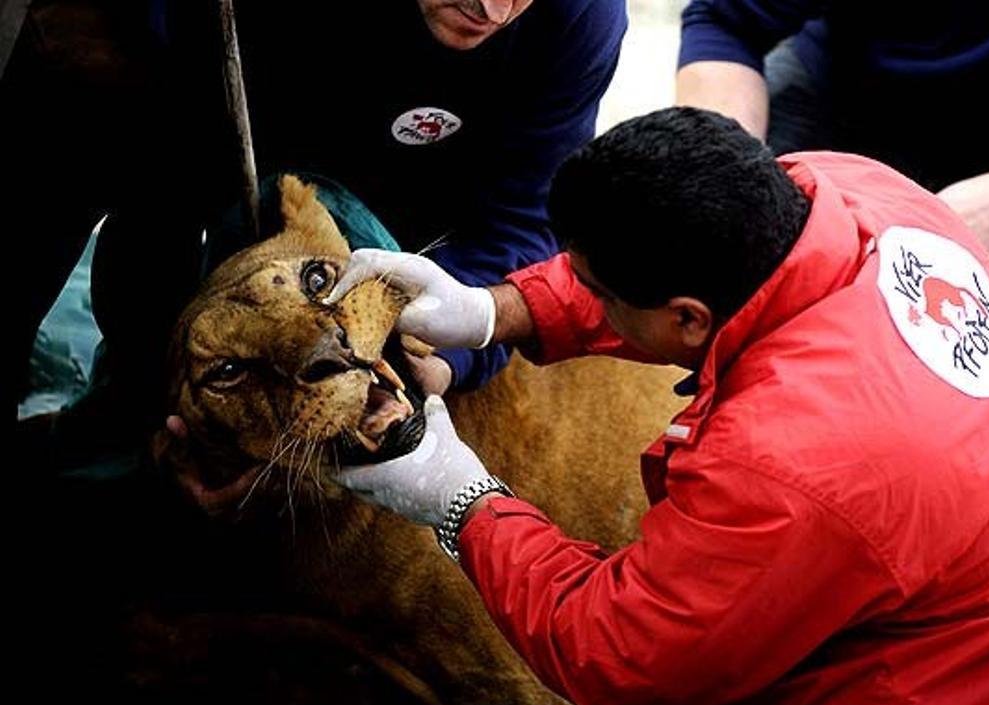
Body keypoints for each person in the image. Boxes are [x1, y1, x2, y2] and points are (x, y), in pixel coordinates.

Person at [326, 108, 989, 705]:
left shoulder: (785, 464)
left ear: (688, 322)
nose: (583, 292)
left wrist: (455, 495)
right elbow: (686, 279)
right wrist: (495, 311)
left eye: (595, 290)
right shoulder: (851, 191)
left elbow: (623, 655)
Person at [10, 0, 626, 407]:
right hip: (206, 163)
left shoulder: (580, 18)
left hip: (405, 260)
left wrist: (446, 359)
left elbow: (521, 222)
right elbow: (150, 201)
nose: (493, 8)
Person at [674, 0, 989, 437]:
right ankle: (753, 416)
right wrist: (734, 179)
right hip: (864, 94)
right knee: (726, 221)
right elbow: (725, 21)